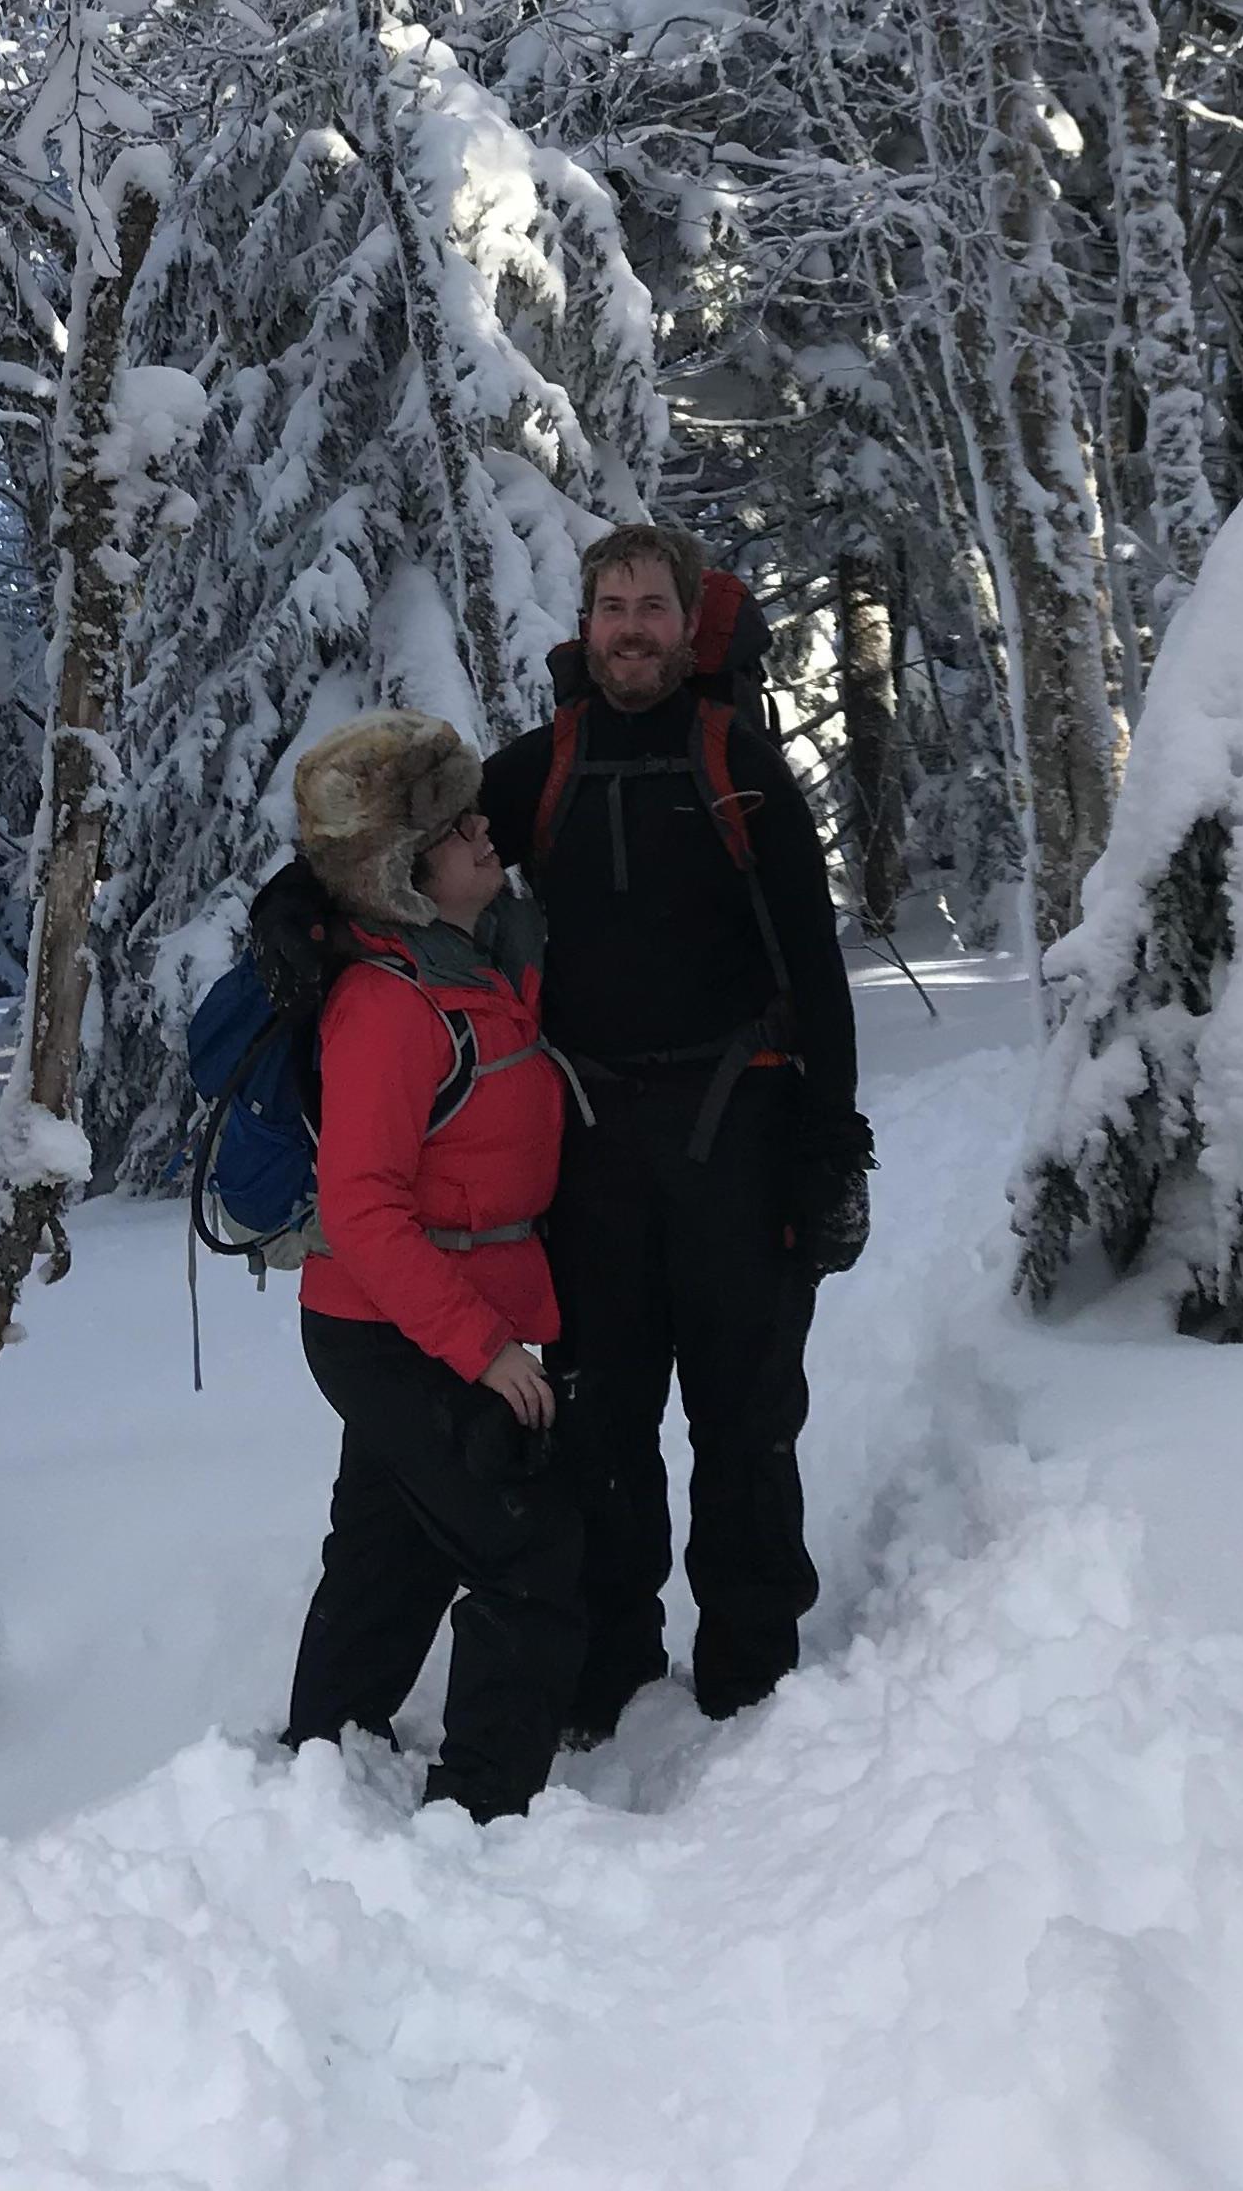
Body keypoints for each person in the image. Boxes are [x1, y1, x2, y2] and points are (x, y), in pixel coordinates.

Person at [480, 526, 871, 1739]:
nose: (631, 628)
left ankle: (751, 1667)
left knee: (747, 1414)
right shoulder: (529, 770)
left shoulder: (742, 765)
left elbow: (816, 970)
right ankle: (610, 1661)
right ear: (583, 622)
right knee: (602, 1416)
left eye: (652, 605)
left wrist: (830, 1149)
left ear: (685, 619)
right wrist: (298, 908)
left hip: (737, 1135)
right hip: (590, 1150)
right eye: (611, 606)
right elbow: (403, 856)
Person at [275, 707, 588, 1823]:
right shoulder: (389, 1005)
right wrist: (484, 1350)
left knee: (389, 1552)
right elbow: (362, 1209)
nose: (482, 836)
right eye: (454, 829)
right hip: (389, 1327)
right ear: (406, 872)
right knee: (530, 1551)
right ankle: (484, 1820)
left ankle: (323, 1760)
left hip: (429, 1317)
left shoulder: (477, 964)